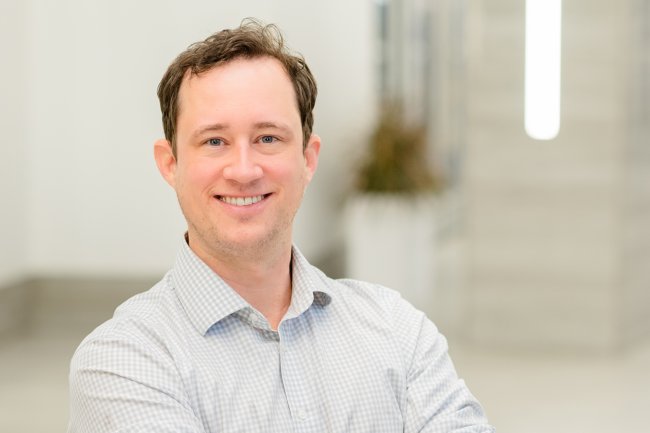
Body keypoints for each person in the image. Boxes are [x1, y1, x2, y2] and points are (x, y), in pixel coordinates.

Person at [67, 19, 494, 433]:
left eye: (268, 138)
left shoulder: (398, 329)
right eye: (214, 141)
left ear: (308, 159)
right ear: (170, 164)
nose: (243, 170)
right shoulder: (124, 360)